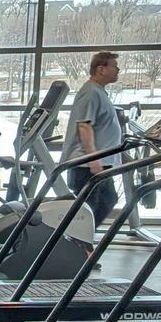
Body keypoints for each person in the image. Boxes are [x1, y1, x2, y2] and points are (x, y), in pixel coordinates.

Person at [61, 49, 123, 226]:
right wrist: (93, 158)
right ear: (101, 69)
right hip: (87, 164)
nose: (118, 70)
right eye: (114, 66)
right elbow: (84, 125)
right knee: (89, 207)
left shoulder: (98, 91)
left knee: (107, 199)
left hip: (98, 162)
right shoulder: (90, 92)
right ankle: (78, 240)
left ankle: (84, 238)